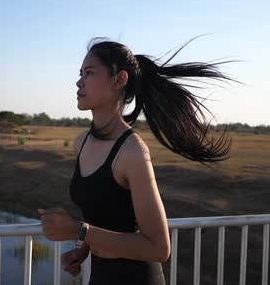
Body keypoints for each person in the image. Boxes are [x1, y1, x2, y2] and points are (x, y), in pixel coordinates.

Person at [38, 37, 235, 284]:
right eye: (80, 74)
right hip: (100, 276)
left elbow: (159, 248)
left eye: (89, 73)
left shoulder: (132, 152)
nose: (79, 82)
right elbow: (105, 214)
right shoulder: (82, 143)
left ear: (120, 80)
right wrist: (83, 249)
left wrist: (79, 230)